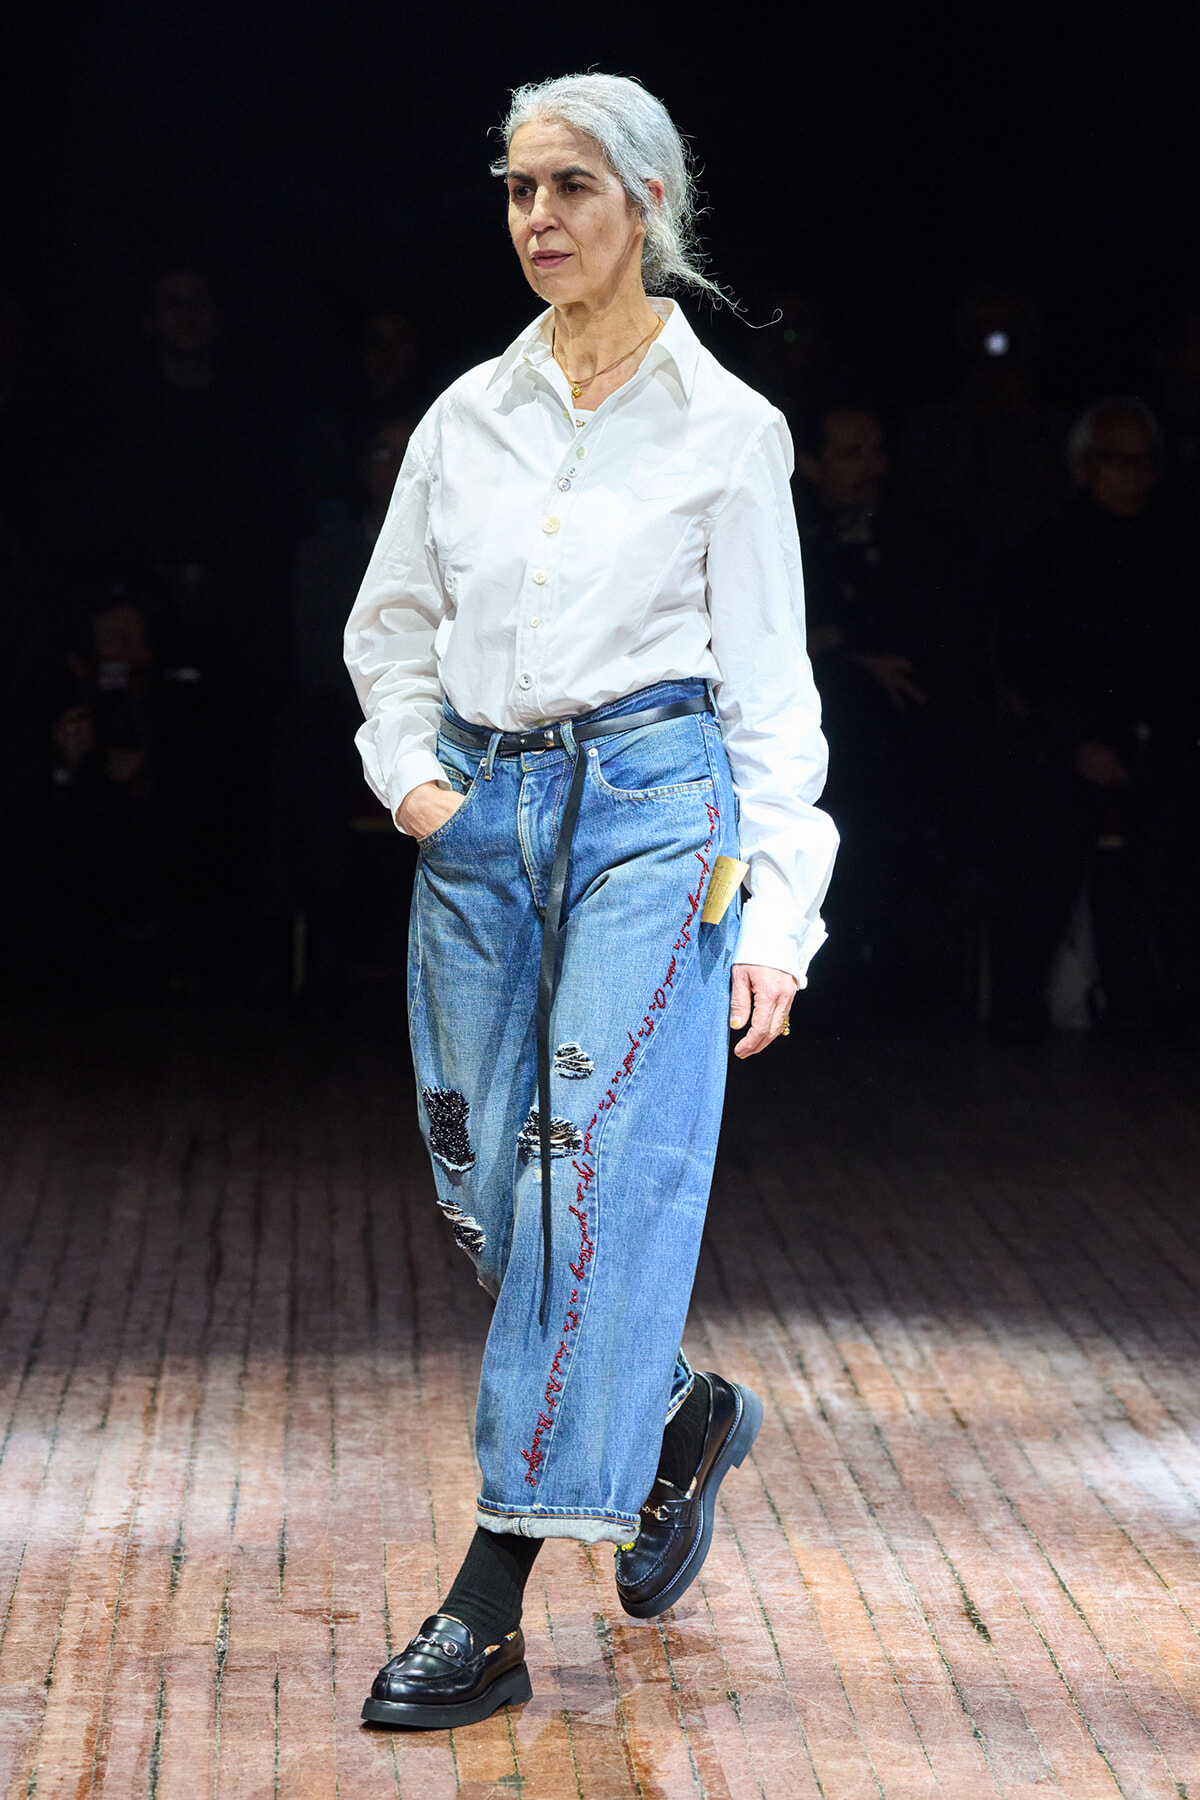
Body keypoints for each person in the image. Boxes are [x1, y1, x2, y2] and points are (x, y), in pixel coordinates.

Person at [344, 73, 837, 1731]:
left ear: (646, 205)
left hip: (653, 810)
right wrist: (414, 774)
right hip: (487, 810)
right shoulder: (466, 418)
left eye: (572, 187)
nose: (538, 217)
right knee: (495, 1184)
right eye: (517, 189)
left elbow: (773, 698)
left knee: (581, 1174)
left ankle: (488, 1602)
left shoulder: (727, 430)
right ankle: (677, 1414)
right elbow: (388, 623)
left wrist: (777, 915)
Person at [989, 397, 1193, 1040]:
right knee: (1042, 836)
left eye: (1143, 462)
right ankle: (1020, 1007)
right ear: (1082, 466)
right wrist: (1078, 741)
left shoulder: (1178, 554)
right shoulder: (1044, 556)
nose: (1130, 475)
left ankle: (1172, 1008)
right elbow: (1025, 669)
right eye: (1114, 460)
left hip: (1160, 749)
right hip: (1064, 746)